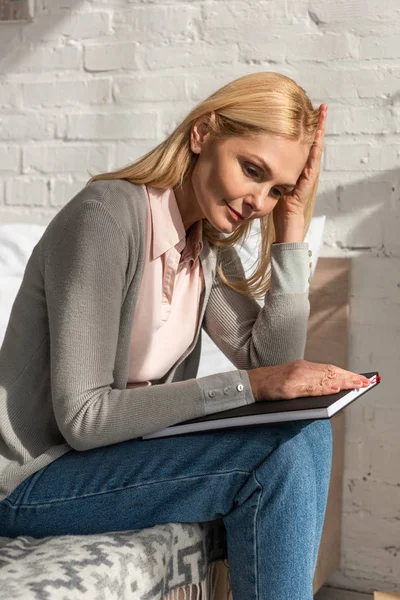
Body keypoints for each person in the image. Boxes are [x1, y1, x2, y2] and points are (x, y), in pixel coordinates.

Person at [0, 71, 370, 599]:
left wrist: (291, 225)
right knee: (279, 454)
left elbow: (273, 362)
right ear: (203, 133)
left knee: (303, 432)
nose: (258, 201)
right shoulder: (106, 217)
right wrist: (250, 386)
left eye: (277, 189)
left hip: (110, 457)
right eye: (252, 170)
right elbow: (83, 418)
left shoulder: (202, 244)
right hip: (31, 479)